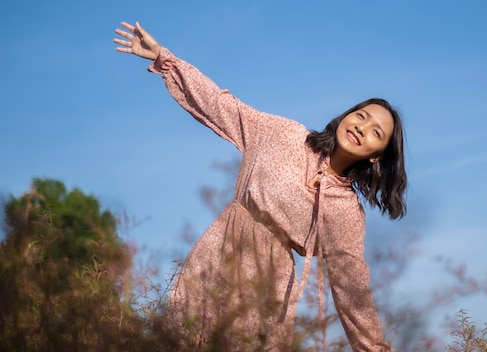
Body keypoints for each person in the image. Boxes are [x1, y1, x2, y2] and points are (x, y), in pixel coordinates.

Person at [114, 21, 407, 352]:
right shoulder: (287, 135)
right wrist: (166, 60)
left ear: (375, 157)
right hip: (216, 254)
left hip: (269, 288)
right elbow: (224, 106)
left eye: (376, 133)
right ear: (347, 115)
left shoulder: (346, 211)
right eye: (362, 116)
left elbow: (352, 288)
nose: (362, 127)